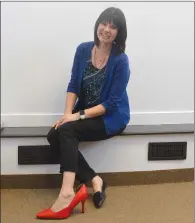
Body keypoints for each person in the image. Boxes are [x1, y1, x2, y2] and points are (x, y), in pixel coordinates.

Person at [36, 6, 130, 220]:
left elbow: (112, 104)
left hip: (110, 117)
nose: (106, 29)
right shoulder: (82, 50)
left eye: (113, 27)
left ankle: (67, 193)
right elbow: (73, 86)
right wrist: (67, 113)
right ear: (97, 25)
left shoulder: (121, 61)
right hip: (85, 111)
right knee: (54, 134)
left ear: (119, 33)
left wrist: (76, 117)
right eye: (103, 23)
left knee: (67, 131)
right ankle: (95, 180)